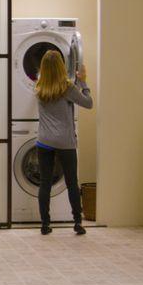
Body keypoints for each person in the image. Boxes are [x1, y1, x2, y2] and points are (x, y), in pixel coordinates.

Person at [35, 49, 93, 235]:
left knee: (45, 183)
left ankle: (45, 225)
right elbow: (88, 103)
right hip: (65, 142)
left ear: (43, 67)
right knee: (71, 182)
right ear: (62, 66)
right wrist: (82, 80)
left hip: (44, 141)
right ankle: (77, 222)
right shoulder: (67, 88)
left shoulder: (39, 87)